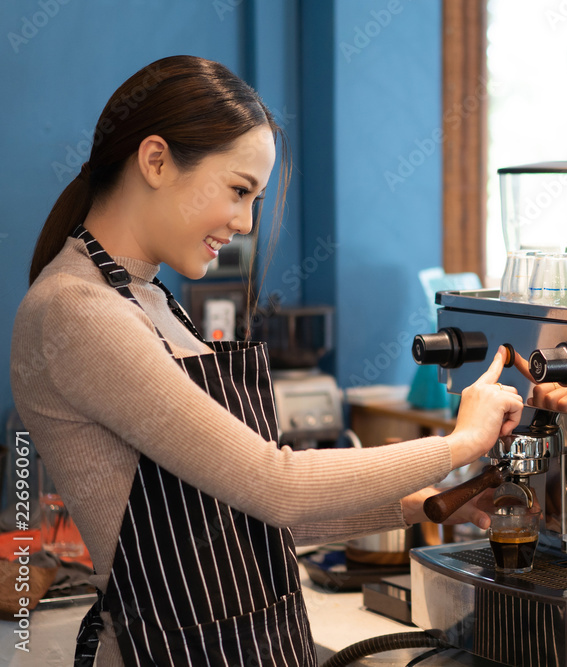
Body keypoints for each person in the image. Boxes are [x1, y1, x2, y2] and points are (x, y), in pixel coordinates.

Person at [10, 55, 523, 666]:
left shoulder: (149, 300)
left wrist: (427, 501)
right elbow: (273, 484)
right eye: (238, 190)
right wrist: (459, 443)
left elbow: (234, 522)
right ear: (155, 161)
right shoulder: (78, 310)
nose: (246, 222)